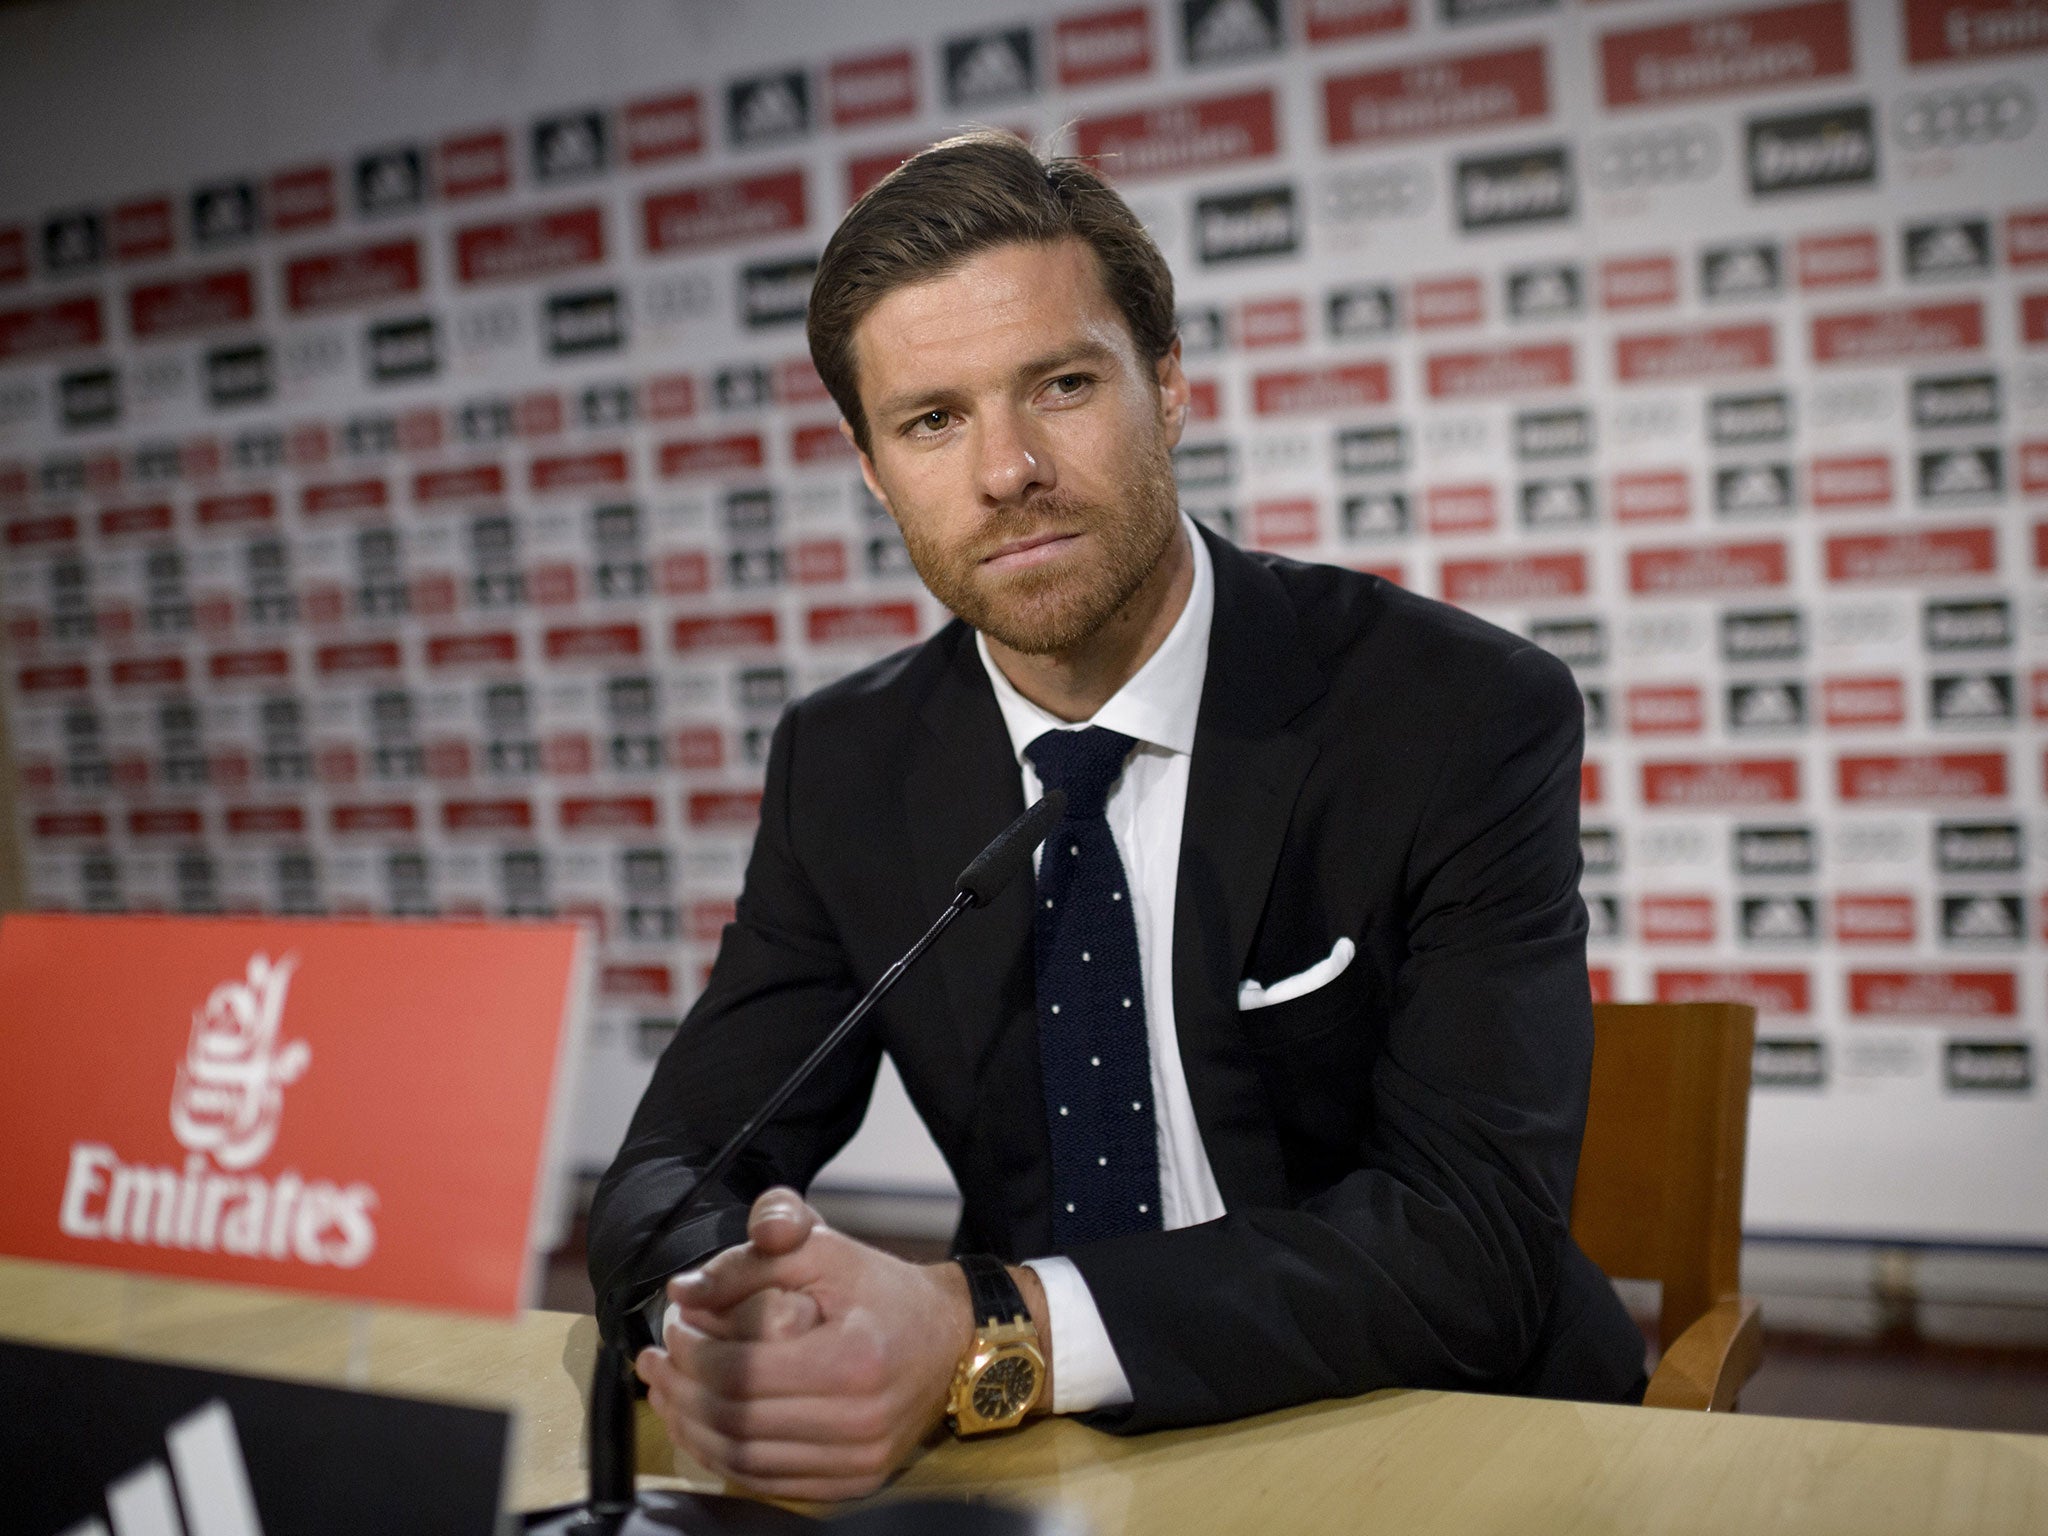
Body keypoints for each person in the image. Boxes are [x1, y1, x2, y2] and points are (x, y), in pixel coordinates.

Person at [591, 130, 1647, 1502]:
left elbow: (1475, 1247)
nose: (1007, 469)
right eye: (932, 420)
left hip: (1439, 1433)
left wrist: (988, 1327)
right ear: (870, 468)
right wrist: (737, 1325)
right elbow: (672, 1170)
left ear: (1169, 387)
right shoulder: (846, 764)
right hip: (1057, 1467)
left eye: (1063, 385)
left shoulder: (1451, 709)